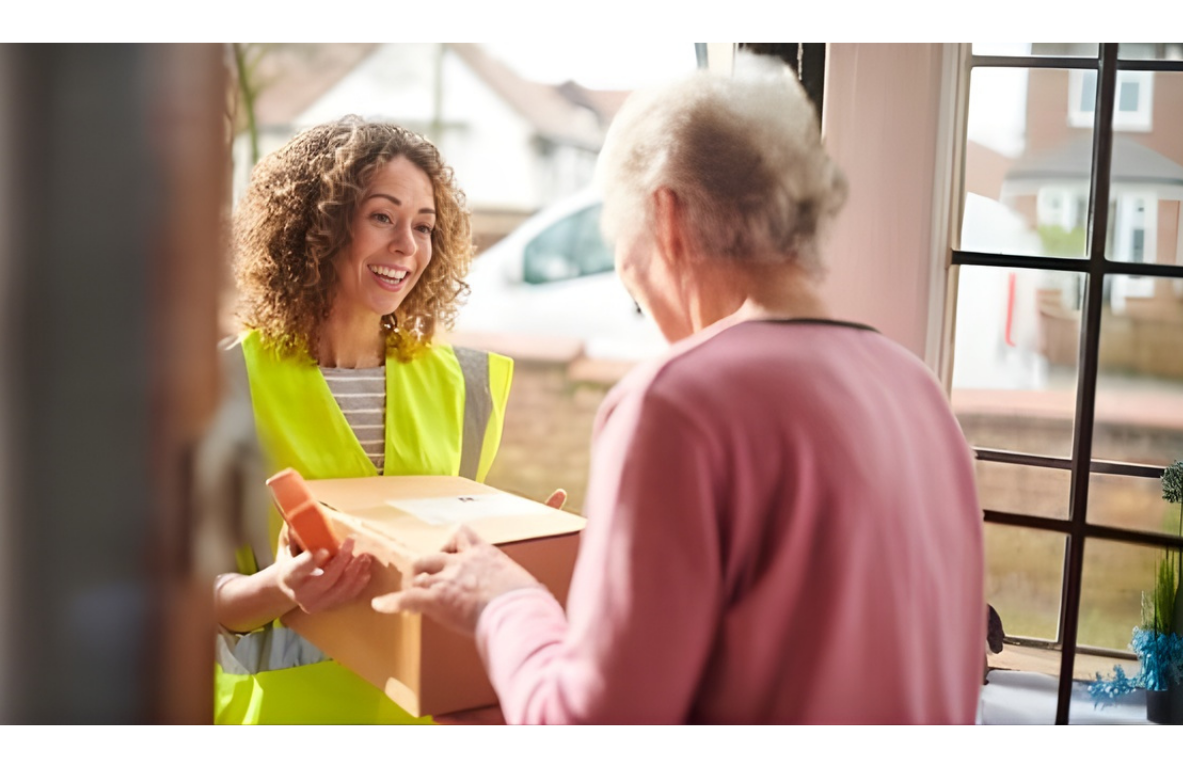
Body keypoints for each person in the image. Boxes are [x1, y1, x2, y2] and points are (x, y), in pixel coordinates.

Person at [373, 55, 986, 724]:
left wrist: (503, 601)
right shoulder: (917, 390)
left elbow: (593, 729)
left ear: (665, 217)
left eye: (621, 249)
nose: (629, 279)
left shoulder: (677, 403)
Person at [201, 116, 556, 724]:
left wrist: (526, 544)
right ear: (320, 225)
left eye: (424, 227)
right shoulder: (224, 385)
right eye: (383, 217)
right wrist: (283, 586)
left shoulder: (466, 387)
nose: (407, 247)